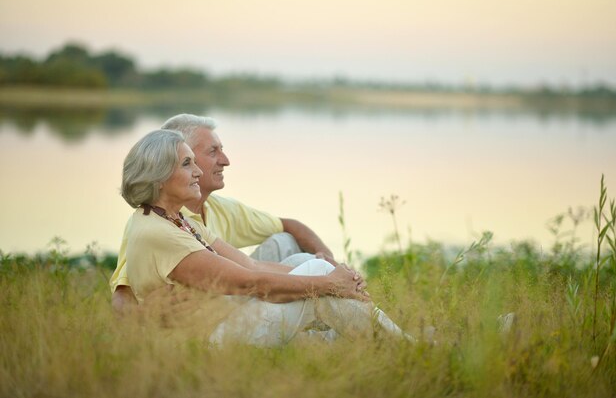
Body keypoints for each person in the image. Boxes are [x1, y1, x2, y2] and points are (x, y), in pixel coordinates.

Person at [120, 129, 412, 346]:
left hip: (219, 327)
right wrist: (328, 282)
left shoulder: (177, 220)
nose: (198, 171)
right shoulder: (157, 233)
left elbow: (251, 266)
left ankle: (382, 342)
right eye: (187, 164)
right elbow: (250, 283)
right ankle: (401, 347)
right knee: (318, 275)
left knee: (311, 267)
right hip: (208, 345)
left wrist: (336, 277)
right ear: (158, 176)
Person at [111, 114, 338, 315]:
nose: (226, 160)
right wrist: (146, 317)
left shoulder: (202, 215)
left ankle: (347, 323)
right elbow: (123, 296)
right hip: (219, 311)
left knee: (294, 250)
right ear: (170, 160)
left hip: (234, 290)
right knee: (311, 273)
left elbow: (258, 259)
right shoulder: (151, 227)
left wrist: (330, 268)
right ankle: (361, 331)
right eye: (213, 151)